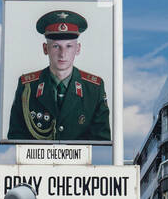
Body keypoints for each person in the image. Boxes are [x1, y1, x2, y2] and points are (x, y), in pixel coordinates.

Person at [7, 10, 110, 142]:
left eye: (69, 46)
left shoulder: (93, 88)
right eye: (56, 46)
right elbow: (16, 139)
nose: (63, 54)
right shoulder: (28, 86)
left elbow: (102, 142)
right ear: (45, 49)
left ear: (78, 49)